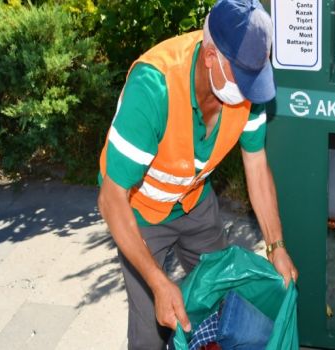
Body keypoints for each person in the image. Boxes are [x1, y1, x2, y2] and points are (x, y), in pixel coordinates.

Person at [97, 0, 298, 348]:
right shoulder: (154, 88)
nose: (251, 90)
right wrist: (159, 283)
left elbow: (256, 165)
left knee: (223, 299)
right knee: (151, 330)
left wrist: (276, 245)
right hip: (140, 214)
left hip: (195, 204)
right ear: (210, 57)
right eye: (243, 77)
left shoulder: (248, 91)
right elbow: (111, 198)